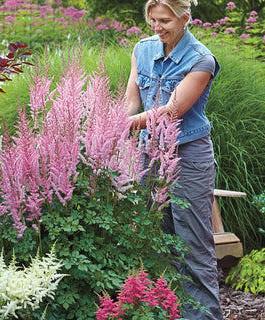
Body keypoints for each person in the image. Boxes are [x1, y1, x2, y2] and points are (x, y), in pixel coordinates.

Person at [125, 0, 223, 319]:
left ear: (185, 17)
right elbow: (131, 100)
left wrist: (120, 124)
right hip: (149, 154)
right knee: (156, 239)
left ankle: (205, 316)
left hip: (188, 157)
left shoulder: (201, 60)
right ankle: (168, 312)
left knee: (193, 246)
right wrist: (112, 124)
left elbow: (171, 111)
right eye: (152, 20)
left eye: (164, 20)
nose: (157, 27)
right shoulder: (142, 50)